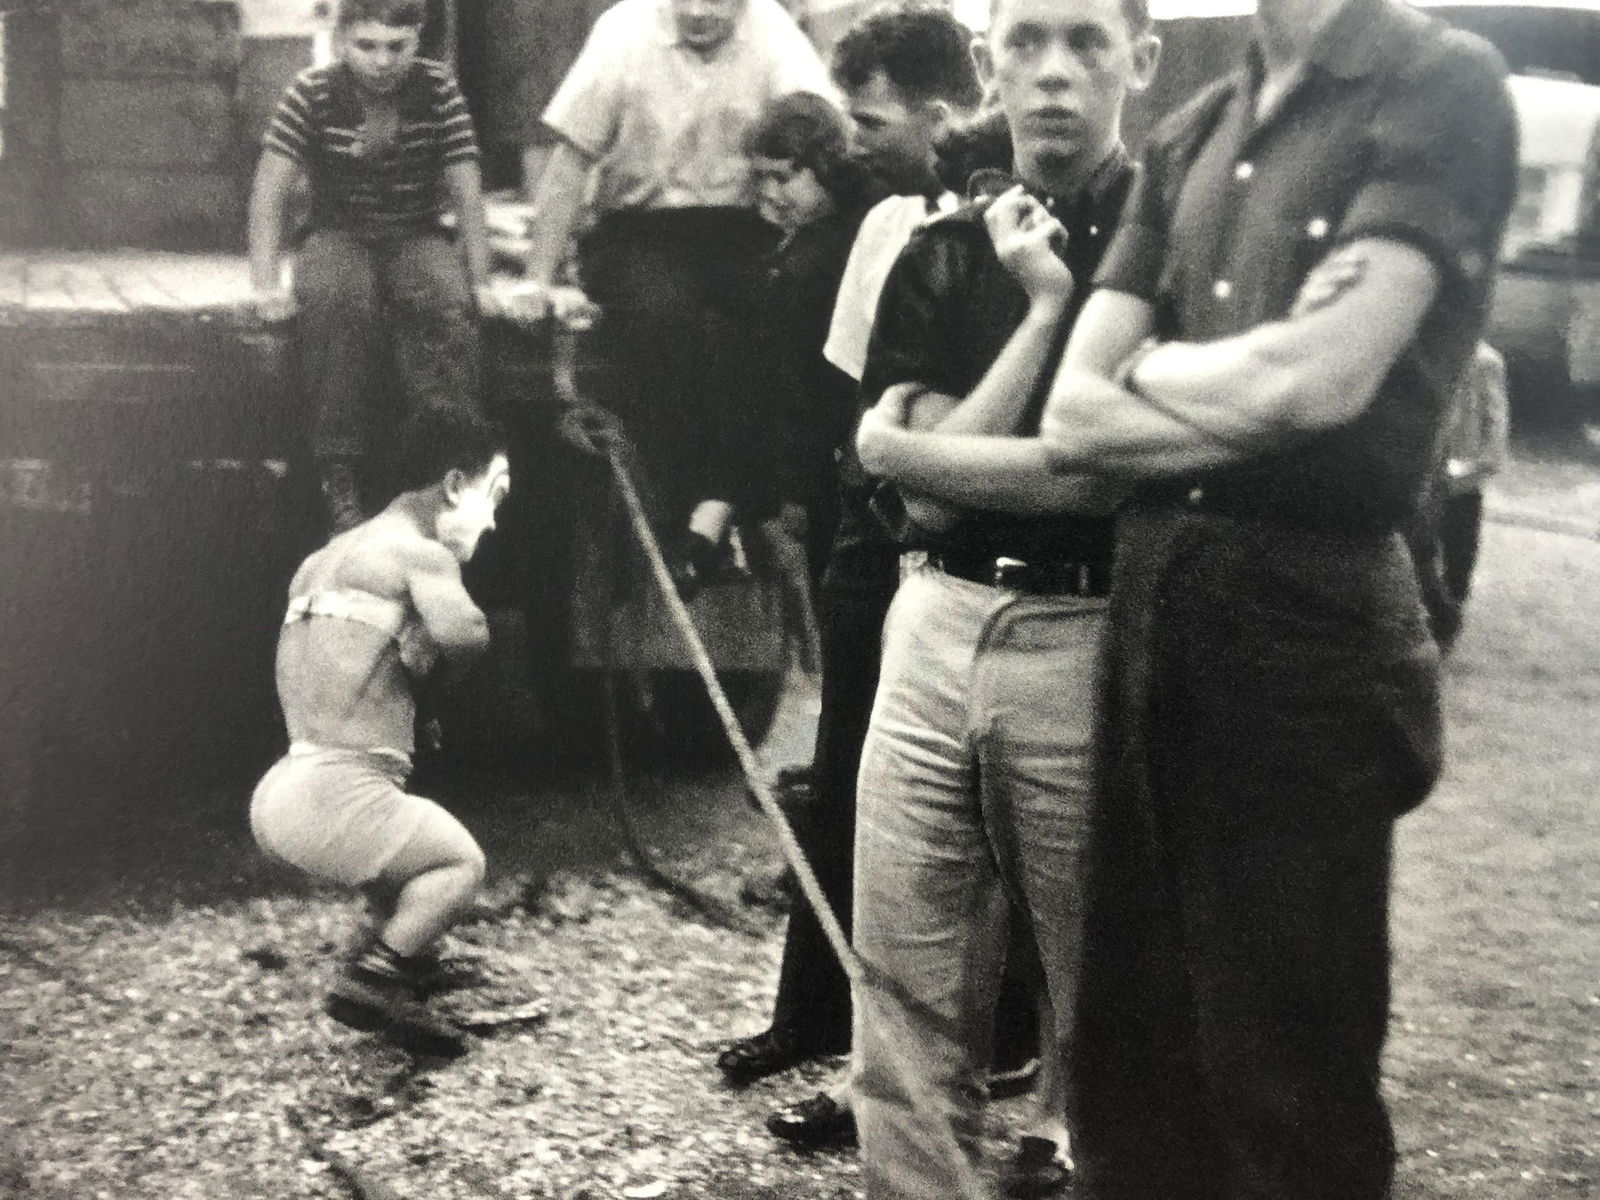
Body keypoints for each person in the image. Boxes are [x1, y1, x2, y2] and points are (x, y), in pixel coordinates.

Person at [1010, 0, 1511, 1195]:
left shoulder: (1437, 87)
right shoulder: (1193, 125)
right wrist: (1233, 389)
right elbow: (1073, 416)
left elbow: (1322, 382)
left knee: (1284, 1085)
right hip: (1151, 615)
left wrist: (1154, 368)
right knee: (1133, 1076)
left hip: (1309, 627)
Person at [844, 0, 1158, 1193]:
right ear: (984, 65)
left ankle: (1068, 1147)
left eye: (1086, 41)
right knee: (906, 985)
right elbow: (917, 511)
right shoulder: (939, 250)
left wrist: (914, 450)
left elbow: (1110, 475)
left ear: (1144, 56)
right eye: (1024, 43)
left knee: (1103, 987)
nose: (1053, 76)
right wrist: (1036, 313)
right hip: (932, 621)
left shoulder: (1166, 240)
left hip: (1092, 630)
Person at [709, 1, 984, 1099]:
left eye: (869, 120)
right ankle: (811, 1017)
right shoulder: (876, 226)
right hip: (866, 531)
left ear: (941, 113)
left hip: (966, 545)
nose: (852, 140)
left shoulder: (1004, 216)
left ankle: (930, 1067)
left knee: (953, 819)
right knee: (844, 774)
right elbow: (834, 393)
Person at [506, 0, 833, 539]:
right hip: (639, 228)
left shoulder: (773, 32)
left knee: (779, 309)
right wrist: (537, 278)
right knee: (664, 316)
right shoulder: (623, 31)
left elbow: (821, 136)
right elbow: (570, 163)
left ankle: (748, 500)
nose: (700, 11)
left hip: (739, 225)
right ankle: (683, 506)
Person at [250, 407, 512, 1058]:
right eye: (494, 495)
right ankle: (377, 978)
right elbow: (467, 635)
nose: (495, 519)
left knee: (397, 861)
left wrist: (411, 673)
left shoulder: (323, 559)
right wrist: (440, 683)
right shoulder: (418, 552)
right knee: (458, 864)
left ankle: (408, 967)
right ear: (454, 486)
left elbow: (337, 662)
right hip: (337, 792)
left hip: (285, 785)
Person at [247, 0, 495, 533]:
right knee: (337, 301)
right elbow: (270, 190)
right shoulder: (312, 92)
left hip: (416, 231)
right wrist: (266, 287)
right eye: (367, 46)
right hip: (339, 231)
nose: (381, 61)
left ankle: (441, 469)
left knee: (444, 303)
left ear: (418, 40)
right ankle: (339, 471)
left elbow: (466, 188)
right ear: (342, 40)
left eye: (396, 46)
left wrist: (482, 281)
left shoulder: (437, 89)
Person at [668, 91, 875, 599]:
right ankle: (719, 507)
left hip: (822, 455)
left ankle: (718, 508)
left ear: (826, 168)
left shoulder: (808, 263)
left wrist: (792, 494)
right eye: (762, 178)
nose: (771, 193)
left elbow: (795, 384)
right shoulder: (824, 239)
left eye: (785, 177)